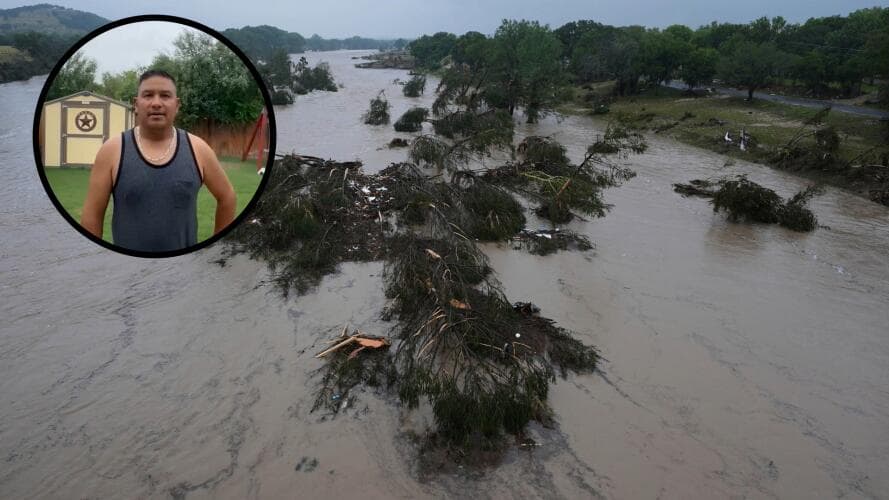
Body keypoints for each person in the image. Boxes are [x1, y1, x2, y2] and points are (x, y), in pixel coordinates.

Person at [81, 69, 236, 252]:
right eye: (148, 95)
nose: (156, 103)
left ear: (177, 105)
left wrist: (217, 250)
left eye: (165, 96)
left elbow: (228, 197)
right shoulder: (112, 150)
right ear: (136, 104)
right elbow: (92, 216)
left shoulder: (198, 149)